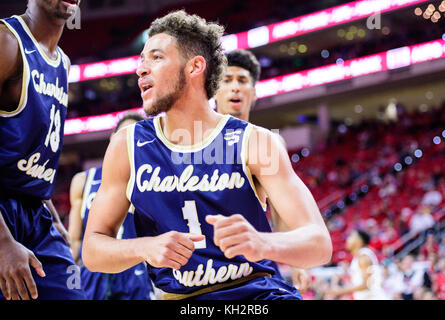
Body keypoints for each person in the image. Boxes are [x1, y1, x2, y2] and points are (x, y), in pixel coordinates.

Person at [82, 10, 332, 300]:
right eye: (141, 60)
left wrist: (263, 243)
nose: (141, 69)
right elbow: (92, 250)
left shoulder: (256, 142)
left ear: (195, 66)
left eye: (156, 57)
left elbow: (319, 244)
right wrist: (144, 247)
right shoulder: (127, 144)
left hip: (255, 296)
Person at [0, 0, 85, 300]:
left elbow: (31, 155)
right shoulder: (6, 40)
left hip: (36, 212)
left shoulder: (63, 62)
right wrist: (2, 242)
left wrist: (52, 215)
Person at [215, 49, 310, 294]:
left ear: (254, 93)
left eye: (243, 81)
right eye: (227, 80)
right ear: (214, 89)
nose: (235, 87)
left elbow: (281, 210)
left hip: (254, 272)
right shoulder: (192, 142)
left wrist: (295, 261)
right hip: (201, 273)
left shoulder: (264, 143)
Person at [68, 112, 154, 300]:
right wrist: (70, 279)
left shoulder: (152, 182)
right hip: (94, 271)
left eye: (134, 137)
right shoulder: (83, 180)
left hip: (135, 271)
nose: (126, 143)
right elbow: (75, 240)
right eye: (123, 135)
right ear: (113, 138)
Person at [328, 229, 387, 299]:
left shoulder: (363, 257)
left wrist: (339, 291)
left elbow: (367, 285)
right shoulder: (358, 257)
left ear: (360, 241)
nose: (347, 239)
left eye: (351, 236)